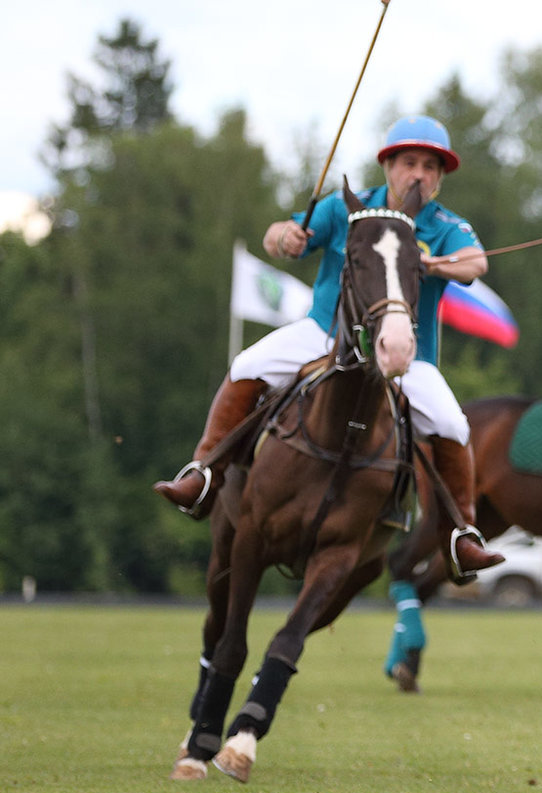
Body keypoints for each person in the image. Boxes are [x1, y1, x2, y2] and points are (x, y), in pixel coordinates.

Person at [154, 115, 503, 577]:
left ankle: (461, 536)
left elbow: (475, 263)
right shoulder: (345, 208)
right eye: (410, 162)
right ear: (388, 166)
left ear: (440, 178)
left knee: (452, 425)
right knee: (247, 363)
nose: (420, 174)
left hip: (403, 353)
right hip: (323, 333)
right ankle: (203, 474)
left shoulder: (443, 224)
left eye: (431, 167)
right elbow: (278, 235)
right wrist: (286, 237)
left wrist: (431, 262)